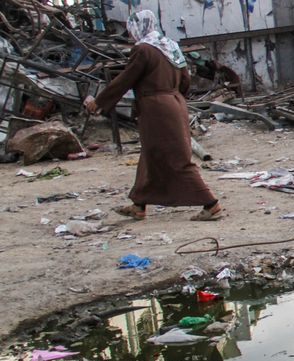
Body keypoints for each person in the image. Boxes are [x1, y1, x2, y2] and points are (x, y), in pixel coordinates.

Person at [84, 10, 223, 221]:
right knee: (151, 154)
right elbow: (186, 80)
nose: (130, 35)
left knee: (176, 158)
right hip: (175, 103)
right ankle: (139, 204)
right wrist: (173, 98)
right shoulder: (170, 46)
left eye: (131, 29)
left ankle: (210, 204)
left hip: (156, 108)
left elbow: (125, 79)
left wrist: (98, 103)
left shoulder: (144, 50)